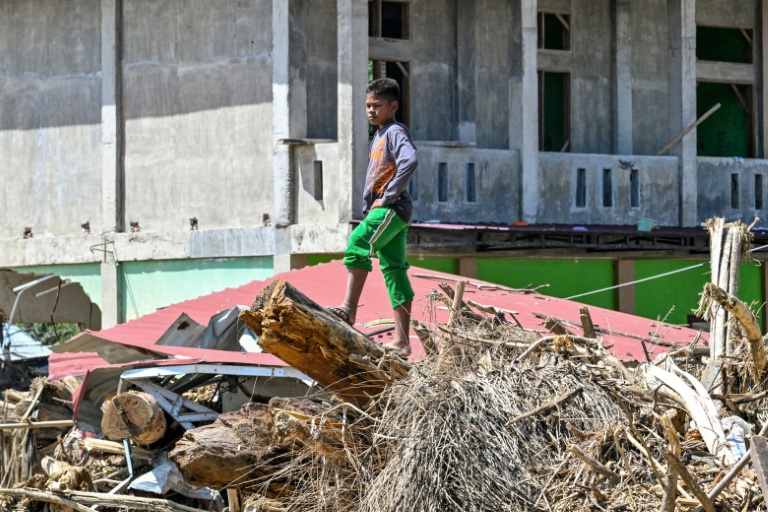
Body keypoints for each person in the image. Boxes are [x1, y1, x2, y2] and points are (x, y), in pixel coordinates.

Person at [329, 77, 418, 357]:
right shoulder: (379, 135)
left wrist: (388, 196)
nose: (371, 110)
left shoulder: (394, 132)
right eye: (368, 105)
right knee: (394, 270)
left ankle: (348, 310)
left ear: (394, 106)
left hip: (391, 209)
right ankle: (402, 342)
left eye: (377, 105)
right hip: (391, 211)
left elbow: (410, 161)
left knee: (358, 243)